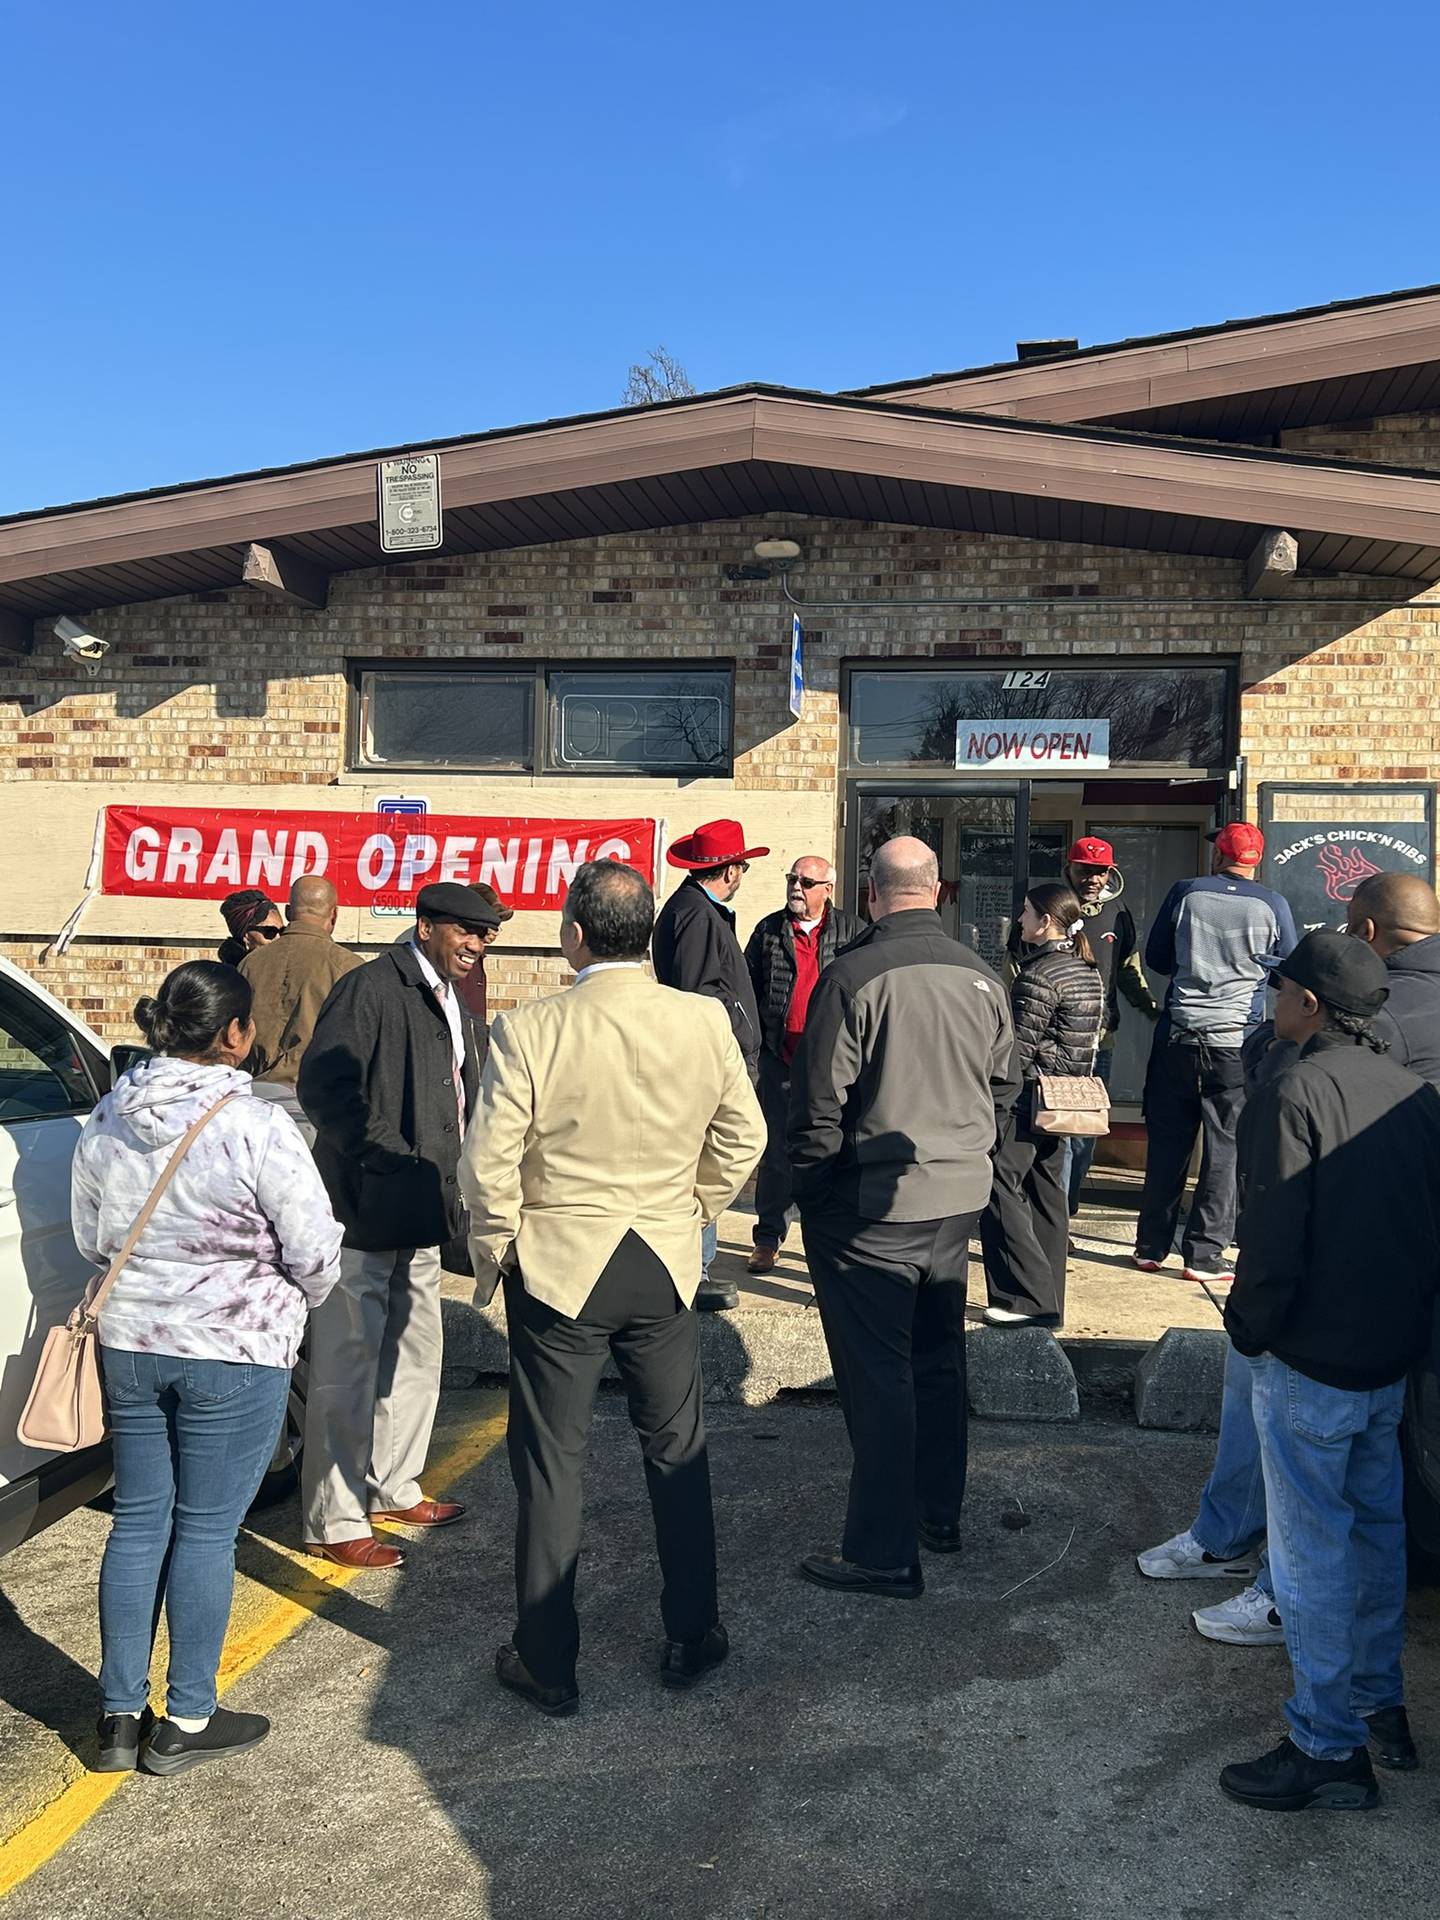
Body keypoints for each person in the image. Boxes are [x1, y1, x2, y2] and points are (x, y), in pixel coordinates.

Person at [460, 861, 765, 1714]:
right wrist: (696, 1205)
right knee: (678, 1449)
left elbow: (487, 1165)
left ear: (573, 936)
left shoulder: (531, 1027)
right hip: (662, 1255)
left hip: (559, 1262)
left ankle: (548, 1659)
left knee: (552, 1464)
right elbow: (746, 1136)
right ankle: (692, 1632)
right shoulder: (701, 1019)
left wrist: (500, 1248)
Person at [1138, 873, 1440, 1651]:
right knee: (1377, 1484)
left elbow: (1280, 1199)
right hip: (1406, 1269)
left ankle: (1279, 1598)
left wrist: (1252, 1318)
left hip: (1333, 1275)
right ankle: (1371, 1695)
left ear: (1365, 938)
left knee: (1289, 1435)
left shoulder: (1364, 1035)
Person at [72, 962, 341, 1776]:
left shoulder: (110, 1112)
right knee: (207, 1529)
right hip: (235, 1343)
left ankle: (119, 1717)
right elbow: (314, 1248)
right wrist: (300, 1298)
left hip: (131, 1339)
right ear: (235, 1034)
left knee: (139, 1520)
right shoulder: (255, 1124)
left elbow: (91, 1234)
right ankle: (187, 1716)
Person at [1217, 932, 1440, 1811]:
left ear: (1307, 1002)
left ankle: (1325, 1746)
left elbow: (1272, 1236)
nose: (1274, 1002)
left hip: (1310, 1357)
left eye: (1281, 989)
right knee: (1375, 1536)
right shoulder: (1417, 1096)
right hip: (1388, 1355)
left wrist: (1249, 1329)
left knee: (1310, 1552)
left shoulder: (1295, 1086)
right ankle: (1380, 1708)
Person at [788, 836, 1019, 1598]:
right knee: (938, 1358)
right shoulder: (982, 977)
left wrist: (812, 1192)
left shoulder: (851, 975)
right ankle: (937, 1513)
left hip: (871, 1209)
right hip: (956, 1200)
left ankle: (885, 1551)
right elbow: (1005, 1088)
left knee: (879, 1374)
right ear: (940, 890)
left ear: (871, 891)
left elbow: (819, 1104)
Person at [297, 880, 499, 1569]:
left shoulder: (455, 992)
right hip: (362, 1209)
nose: (477, 945)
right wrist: (388, 1157)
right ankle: (334, 1518)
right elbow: (324, 1086)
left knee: (415, 1356)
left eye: (486, 935)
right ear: (425, 926)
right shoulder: (370, 989)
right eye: (466, 932)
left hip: (424, 1210)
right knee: (347, 1371)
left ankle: (393, 1487)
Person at [1134, 822, 1297, 1284]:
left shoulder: (1186, 891)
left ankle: (1150, 1247)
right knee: (1224, 1147)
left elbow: (1159, 958)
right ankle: (1203, 1257)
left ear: (1217, 856)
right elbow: (1287, 968)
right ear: (1255, 861)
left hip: (1179, 1035)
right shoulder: (1273, 904)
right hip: (1234, 1041)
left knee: (1168, 1143)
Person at [651, 818, 768, 1310]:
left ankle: (695, 1267)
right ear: (728, 870)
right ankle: (694, 1273)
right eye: (741, 865)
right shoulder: (697, 916)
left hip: (706, 1056)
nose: (743, 874)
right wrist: (739, 1035)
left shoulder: (696, 910)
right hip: (706, 1061)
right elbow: (702, 995)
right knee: (704, 1159)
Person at [980, 881, 1103, 1329]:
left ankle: (1024, 1297)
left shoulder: (1038, 976)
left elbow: (1017, 1050)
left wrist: (993, 1100)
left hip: (1029, 1098)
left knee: (997, 1185)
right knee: (1047, 1194)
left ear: (1046, 922)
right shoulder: (1086, 969)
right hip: (1065, 1099)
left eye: (1027, 913)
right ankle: (1049, 1300)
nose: (1019, 920)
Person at [742, 854, 862, 1276]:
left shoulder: (852, 932)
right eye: (792, 878)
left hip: (831, 1063)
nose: (796, 887)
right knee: (776, 1153)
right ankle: (768, 1238)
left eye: (806, 881)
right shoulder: (768, 930)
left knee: (829, 1150)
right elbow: (748, 988)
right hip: (778, 1058)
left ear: (827, 889)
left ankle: (826, 1239)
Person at [1055, 837, 1158, 1213]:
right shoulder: (1051, 906)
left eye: (1100, 872)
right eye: (1085, 870)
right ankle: (1056, 1215)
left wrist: (1149, 1006)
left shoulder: (1119, 913)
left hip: (1102, 1039)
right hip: (1057, 1040)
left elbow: (1129, 968)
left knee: (1085, 1135)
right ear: (1070, 868)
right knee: (1059, 1133)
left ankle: (1070, 1202)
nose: (1093, 879)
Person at [239, 874, 364, 1136]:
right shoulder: (350, 968)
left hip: (249, 1101)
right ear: (334, 915)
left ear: (287, 911)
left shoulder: (250, 963)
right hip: (313, 1108)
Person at [216, 889, 281, 968]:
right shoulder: (230, 977)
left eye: (282, 931)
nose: (279, 938)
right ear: (246, 937)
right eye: (270, 932)